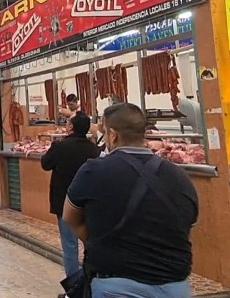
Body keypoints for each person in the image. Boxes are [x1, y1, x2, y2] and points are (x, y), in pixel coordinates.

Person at [63, 103, 198, 298]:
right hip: (174, 287)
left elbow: (70, 216)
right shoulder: (179, 176)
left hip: (116, 285)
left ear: (112, 135)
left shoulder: (94, 171)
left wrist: (98, 244)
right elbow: (187, 224)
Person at [40, 112, 100, 282]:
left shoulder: (60, 146)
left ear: (71, 127)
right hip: (90, 203)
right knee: (90, 242)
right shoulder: (93, 149)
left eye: (68, 122)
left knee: (69, 245)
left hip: (65, 202)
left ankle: (74, 286)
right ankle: (91, 281)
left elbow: (45, 164)